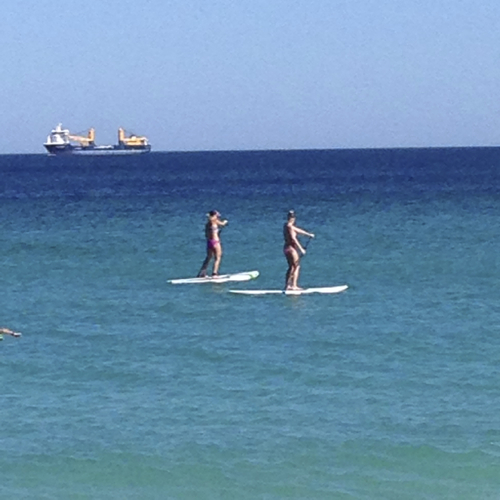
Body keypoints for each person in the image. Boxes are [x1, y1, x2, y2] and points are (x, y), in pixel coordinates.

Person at [283, 210, 314, 290]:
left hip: (287, 248)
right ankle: (293, 286)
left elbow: (298, 230)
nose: (292, 219)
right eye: (291, 217)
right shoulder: (289, 227)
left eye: (292, 217)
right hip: (291, 249)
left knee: (292, 267)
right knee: (296, 266)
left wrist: (308, 234)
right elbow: (293, 239)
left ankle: (288, 286)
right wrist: (301, 249)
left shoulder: (287, 226)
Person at [197, 210, 229, 277]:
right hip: (215, 241)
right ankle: (214, 273)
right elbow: (222, 224)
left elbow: (207, 234)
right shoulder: (214, 221)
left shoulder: (207, 224)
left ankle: (202, 272)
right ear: (214, 215)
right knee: (218, 257)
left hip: (209, 242)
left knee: (209, 257)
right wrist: (225, 222)